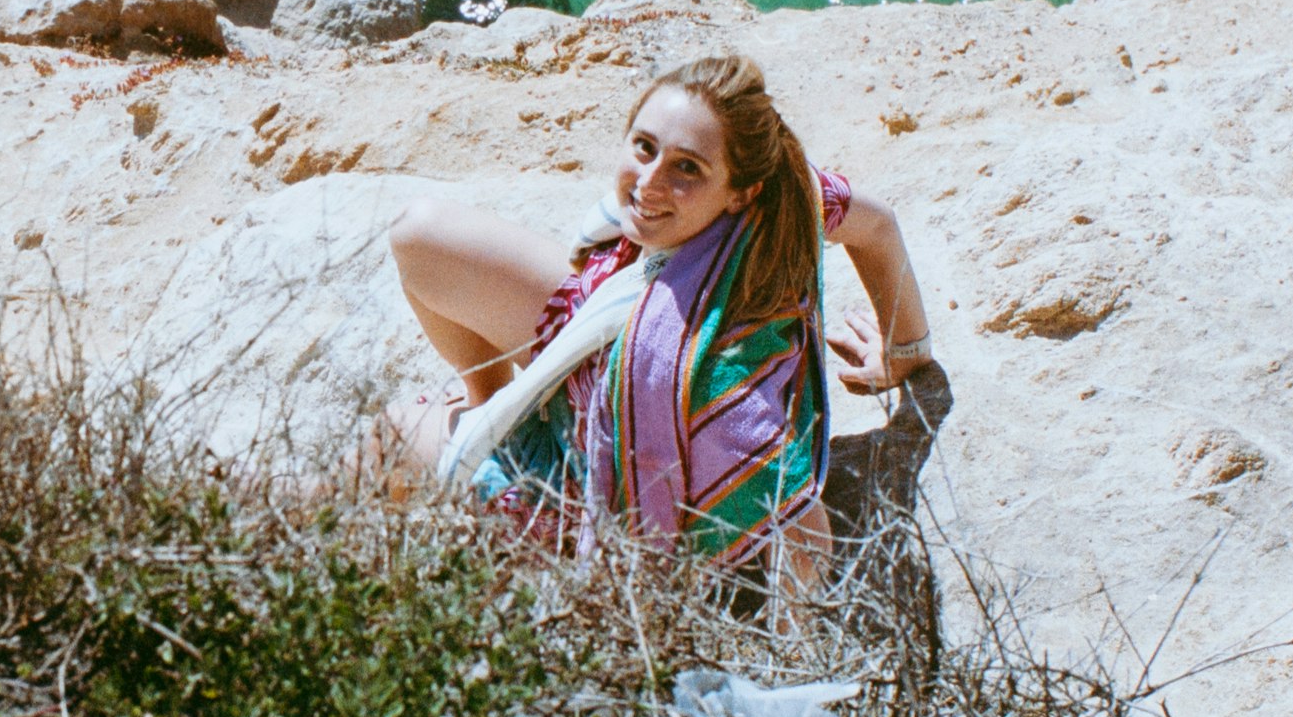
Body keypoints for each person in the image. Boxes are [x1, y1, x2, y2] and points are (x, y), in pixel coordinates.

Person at [381, 53, 935, 587]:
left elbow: (805, 527)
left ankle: (498, 431)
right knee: (419, 231)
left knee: (387, 442)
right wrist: (905, 351)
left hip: (586, 477)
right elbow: (879, 224)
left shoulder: (693, 363)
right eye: (644, 147)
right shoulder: (792, 194)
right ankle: (492, 399)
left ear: (741, 192)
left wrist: (788, 653)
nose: (648, 183)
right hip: (597, 340)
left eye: (686, 168)